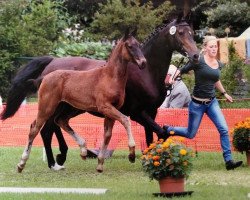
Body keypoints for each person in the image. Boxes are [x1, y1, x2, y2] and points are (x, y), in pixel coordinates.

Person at [163, 36, 243, 170]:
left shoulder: (218, 64)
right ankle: (169, 130)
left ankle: (228, 161)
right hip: (197, 105)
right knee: (190, 134)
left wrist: (224, 93)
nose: (214, 49)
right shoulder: (198, 61)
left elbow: (215, 79)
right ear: (205, 48)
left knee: (223, 129)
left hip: (212, 103)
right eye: (211, 46)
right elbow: (182, 70)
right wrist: (172, 78)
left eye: (215, 46)